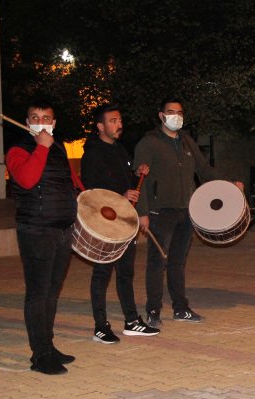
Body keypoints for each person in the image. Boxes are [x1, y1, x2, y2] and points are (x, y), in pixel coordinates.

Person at [133, 98, 243, 328]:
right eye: (171, 112)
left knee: (177, 263)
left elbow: (204, 170)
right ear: (161, 116)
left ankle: (180, 308)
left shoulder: (186, 142)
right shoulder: (149, 143)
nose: (176, 116)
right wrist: (142, 212)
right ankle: (153, 310)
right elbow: (139, 179)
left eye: (180, 112)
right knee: (157, 262)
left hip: (186, 211)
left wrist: (228, 185)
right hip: (159, 211)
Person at [5, 99, 82, 375]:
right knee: (38, 294)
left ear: (54, 123)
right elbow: (26, 179)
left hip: (62, 229)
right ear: (27, 124)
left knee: (52, 293)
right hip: (36, 230)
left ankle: (48, 346)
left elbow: (71, 182)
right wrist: (41, 147)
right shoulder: (18, 149)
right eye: (35, 117)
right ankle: (40, 356)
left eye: (46, 117)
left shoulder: (58, 148)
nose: (41, 122)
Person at [80, 103, 160, 344]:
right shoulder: (92, 154)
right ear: (100, 126)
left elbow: (124, 182)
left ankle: (132, 321)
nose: (119, 125)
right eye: (113, 121)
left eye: (119, 120)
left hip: (124, 221)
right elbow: (92, 191)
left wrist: (138, 175)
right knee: (102, 273)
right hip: (104, 224)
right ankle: (100, 326)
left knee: (126, 272)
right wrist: (120, 195)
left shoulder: (120, 150)